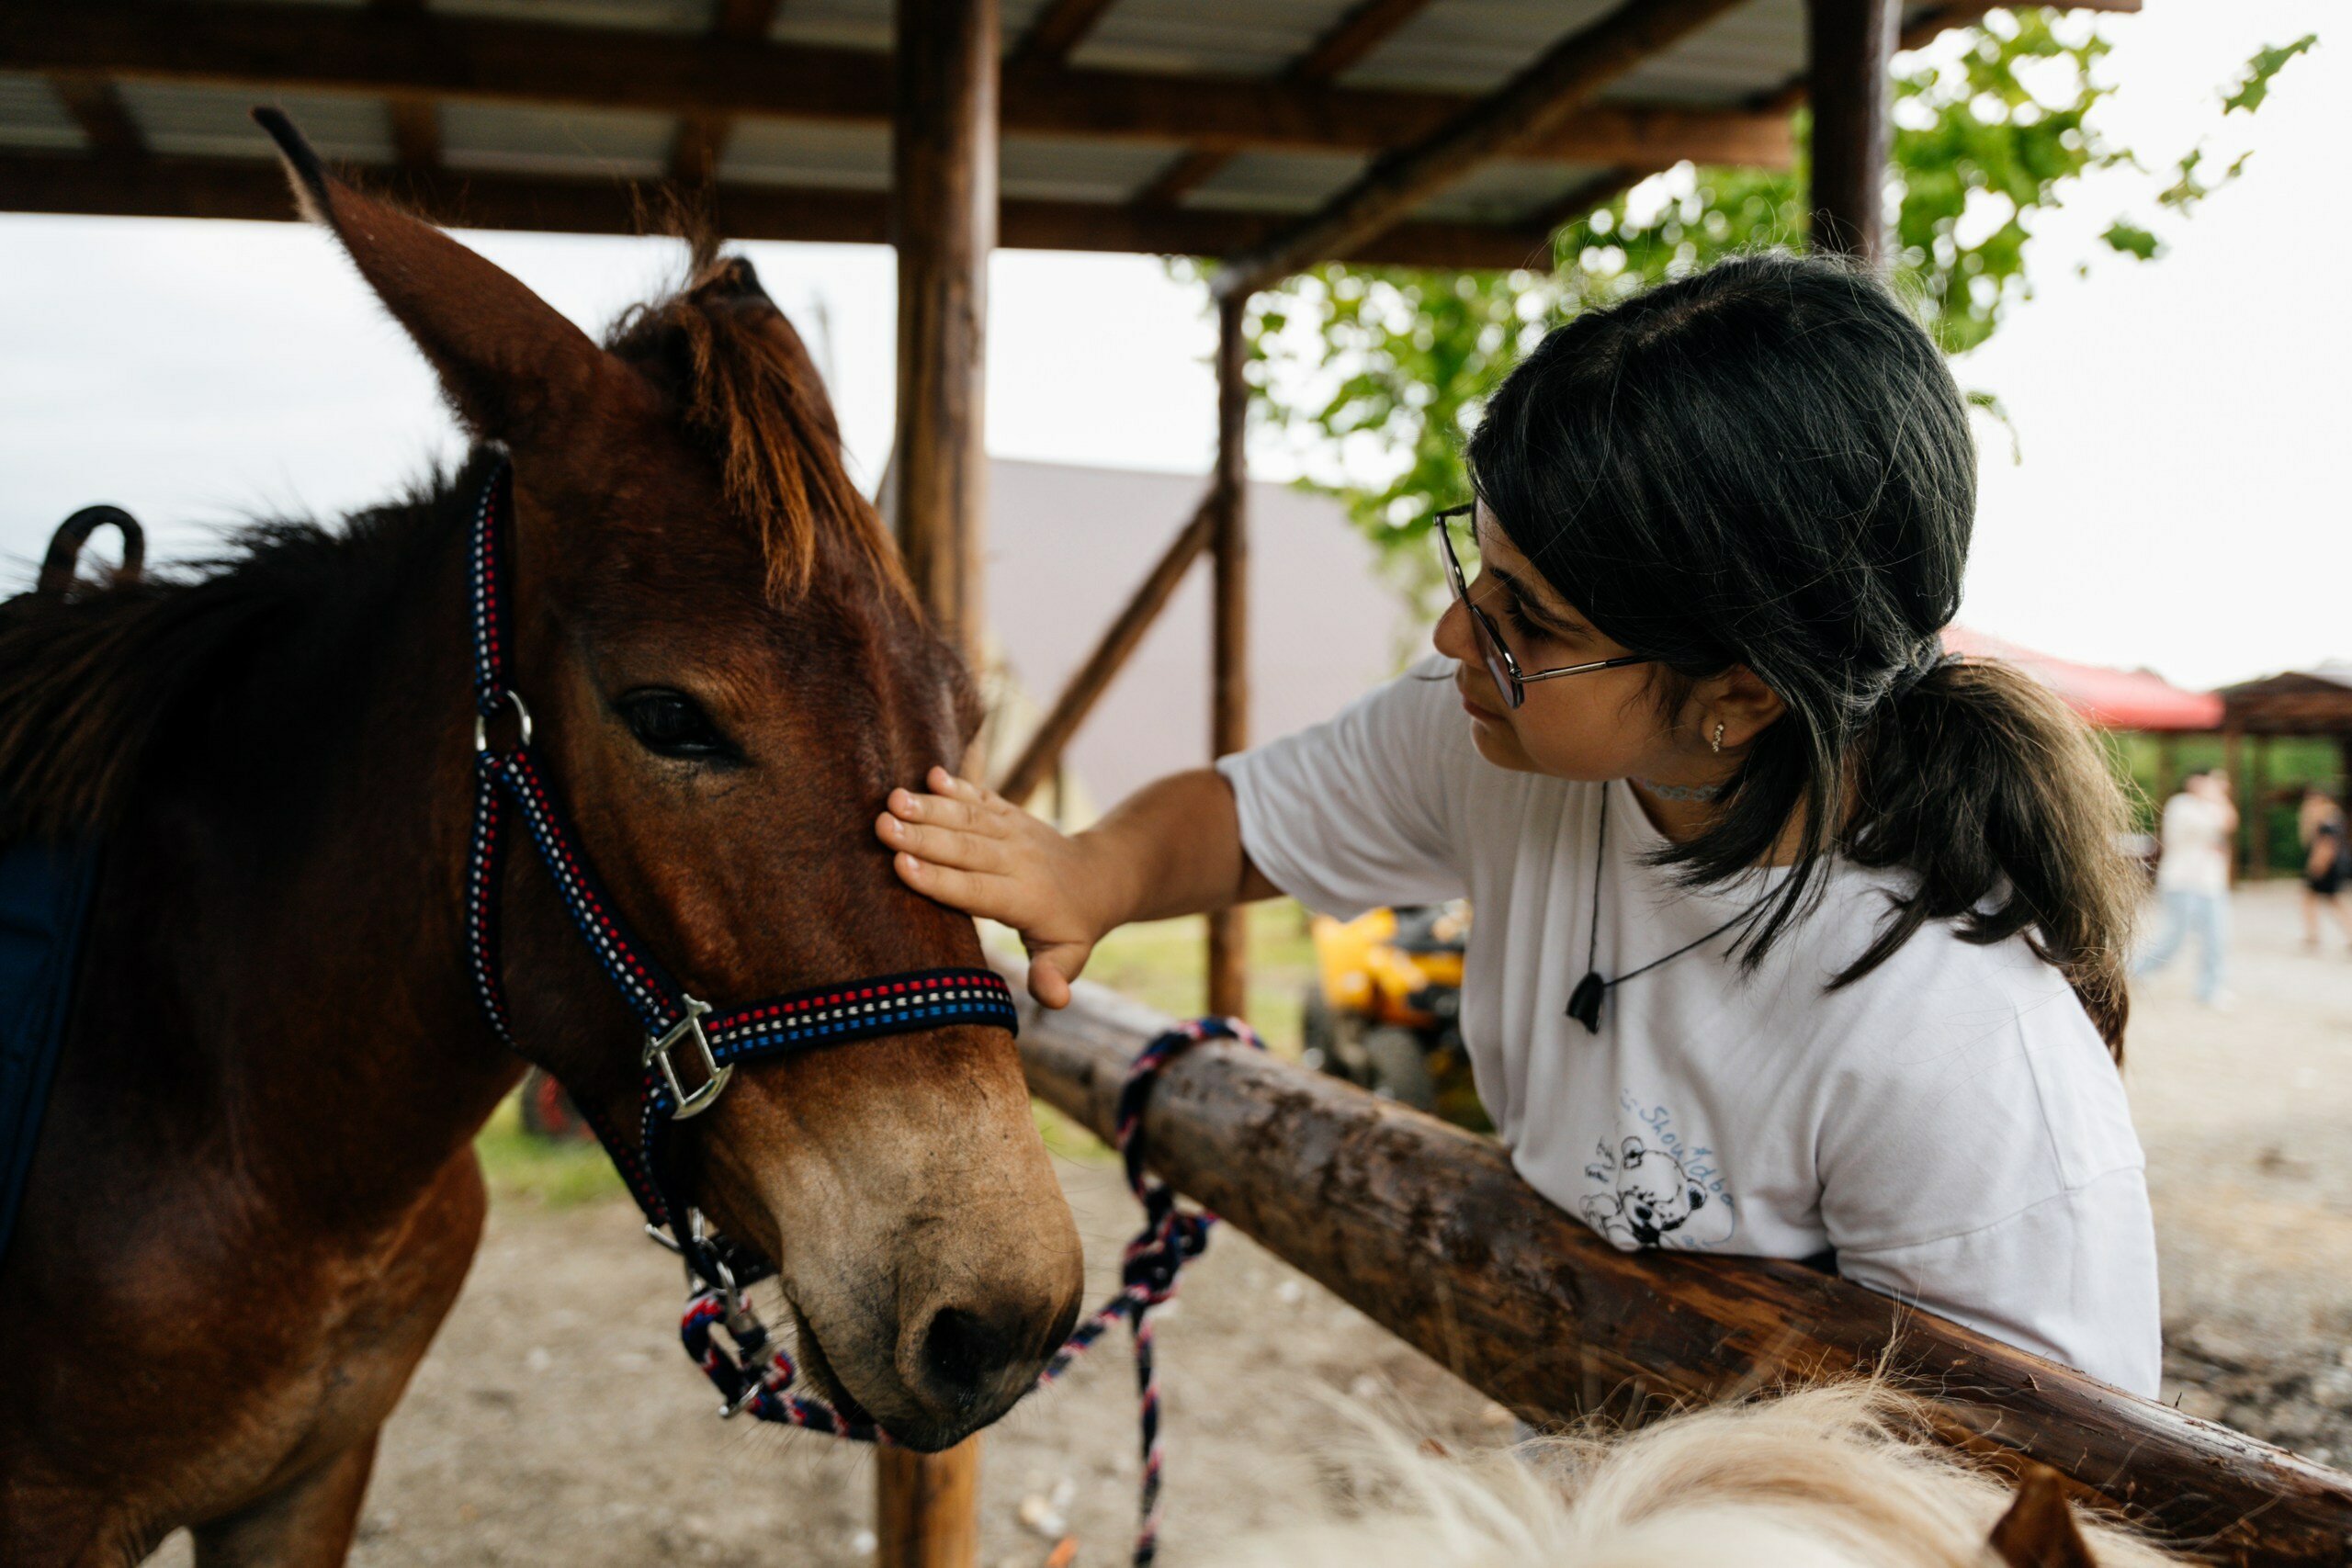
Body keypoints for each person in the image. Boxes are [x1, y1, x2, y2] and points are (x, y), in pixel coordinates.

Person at [879, 253, 2158, 1396]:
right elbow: (1252, 815)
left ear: (1741, 695)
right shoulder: (1491, 735)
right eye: (1481, 567)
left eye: (1531, 618)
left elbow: (2035, 1497)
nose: (1456, 634)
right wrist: (1090, 867)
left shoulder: (1963, 1048)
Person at [2132, 771, 2236, 1006]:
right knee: (2173, 938)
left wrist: (2217, 797)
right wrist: (2217, 795)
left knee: (2216, 937)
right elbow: (2223, 824)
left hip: (2210, 884)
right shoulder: (2182, 805)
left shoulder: (2210, 807)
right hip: (2181, 882)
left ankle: (2210, 989)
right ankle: (2134, 971)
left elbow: (2229, 823)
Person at [2300, 785, 2352, 951]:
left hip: (2327, 867)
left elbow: (2326, 847)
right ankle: (2313, 935)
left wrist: (2316, 866)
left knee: (2331, 901)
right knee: (2318, 899)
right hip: (2332, 866)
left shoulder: (2326, 822)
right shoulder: (2333, 818)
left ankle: (2313, 936)